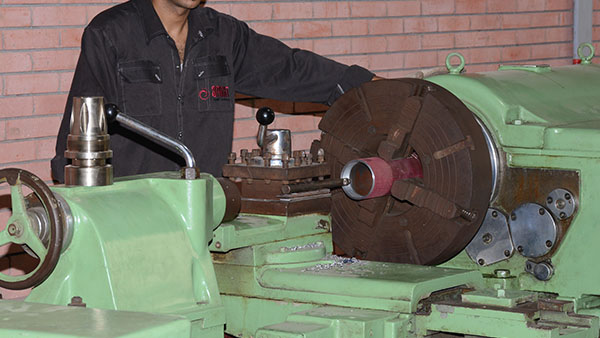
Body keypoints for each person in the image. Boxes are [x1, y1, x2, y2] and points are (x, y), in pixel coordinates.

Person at [51, 0, 376, 182]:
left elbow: (290, 68)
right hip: (135, 220)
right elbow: (74, 145)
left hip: (206, 217)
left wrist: (366, 88)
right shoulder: (110, 34)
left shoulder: (224, 36)